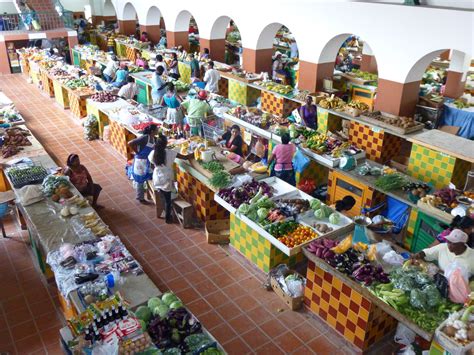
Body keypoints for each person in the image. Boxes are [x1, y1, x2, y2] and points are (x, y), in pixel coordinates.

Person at [148, 135, 189, 223]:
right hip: (166, 179)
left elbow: (151, 163)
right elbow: (185, 157)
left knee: (162, 195)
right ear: (166, 143)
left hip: (157, 177)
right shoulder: (169, 152)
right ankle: (168, 218)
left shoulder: (153, 153)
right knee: (168, 200)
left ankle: (163, 210)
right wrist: (195, 154)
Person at [128, 124, 159, 203]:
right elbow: (130, 143)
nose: (158, 130)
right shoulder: (145, 138)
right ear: (152, 131)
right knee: (140, 180)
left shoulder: (154, 138)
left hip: (147, 161)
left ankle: (150, 194)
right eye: (157, 129)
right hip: (140, 161)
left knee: (148, 176)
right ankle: (140, 198)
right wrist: (137, 152)